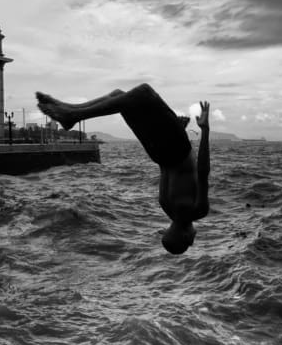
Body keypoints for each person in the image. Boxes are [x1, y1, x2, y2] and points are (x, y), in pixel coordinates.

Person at [36, 84, 210, 254]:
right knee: (121, 97)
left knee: (143, 93)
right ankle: (71, 110)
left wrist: (205, 130)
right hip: (159, 153)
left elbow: (202, 171)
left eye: (191, 242)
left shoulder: (198, 211)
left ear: (187, 237)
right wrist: (173, 131)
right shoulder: (165, 205)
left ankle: (73, 114)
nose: (194, 238)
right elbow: (168, 169)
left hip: (176, 150)